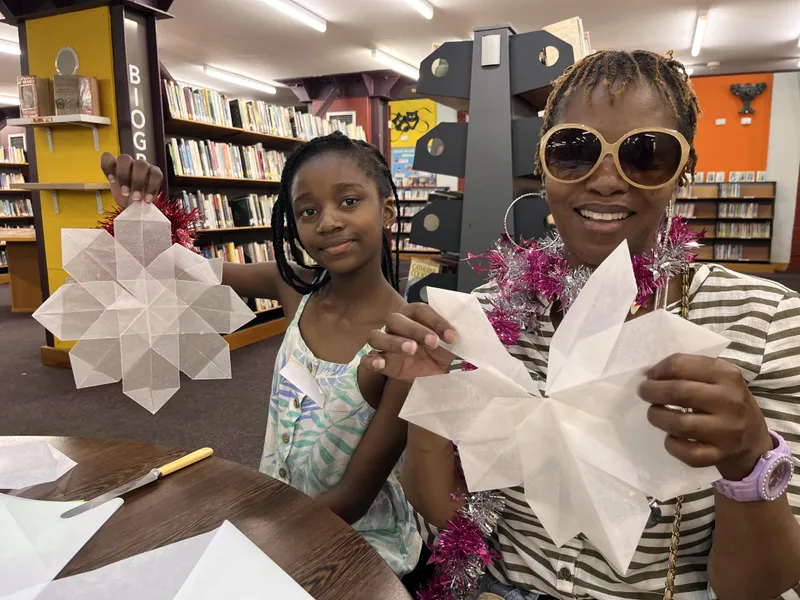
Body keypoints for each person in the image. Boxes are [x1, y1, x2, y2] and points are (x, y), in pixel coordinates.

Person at [363, 50, 800, 600]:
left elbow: (759, 587)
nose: (607, 181)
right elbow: (445, 517)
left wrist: (750, 461)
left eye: (646, 155)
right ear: (543, 164)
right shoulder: (485, 319)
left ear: (682, 172)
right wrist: (427, 393)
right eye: (575, 151)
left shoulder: (763, 322)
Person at [100, 132, 422, 578]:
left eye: (349, 202)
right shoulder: (293, 288)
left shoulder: (403, 342)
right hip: (276, 514)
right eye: (308, 211)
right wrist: (139, 212)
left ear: (387, 210)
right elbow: (176, 270)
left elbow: (353, 498)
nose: (327, 222)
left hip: (357, 548)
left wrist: (248, 531)